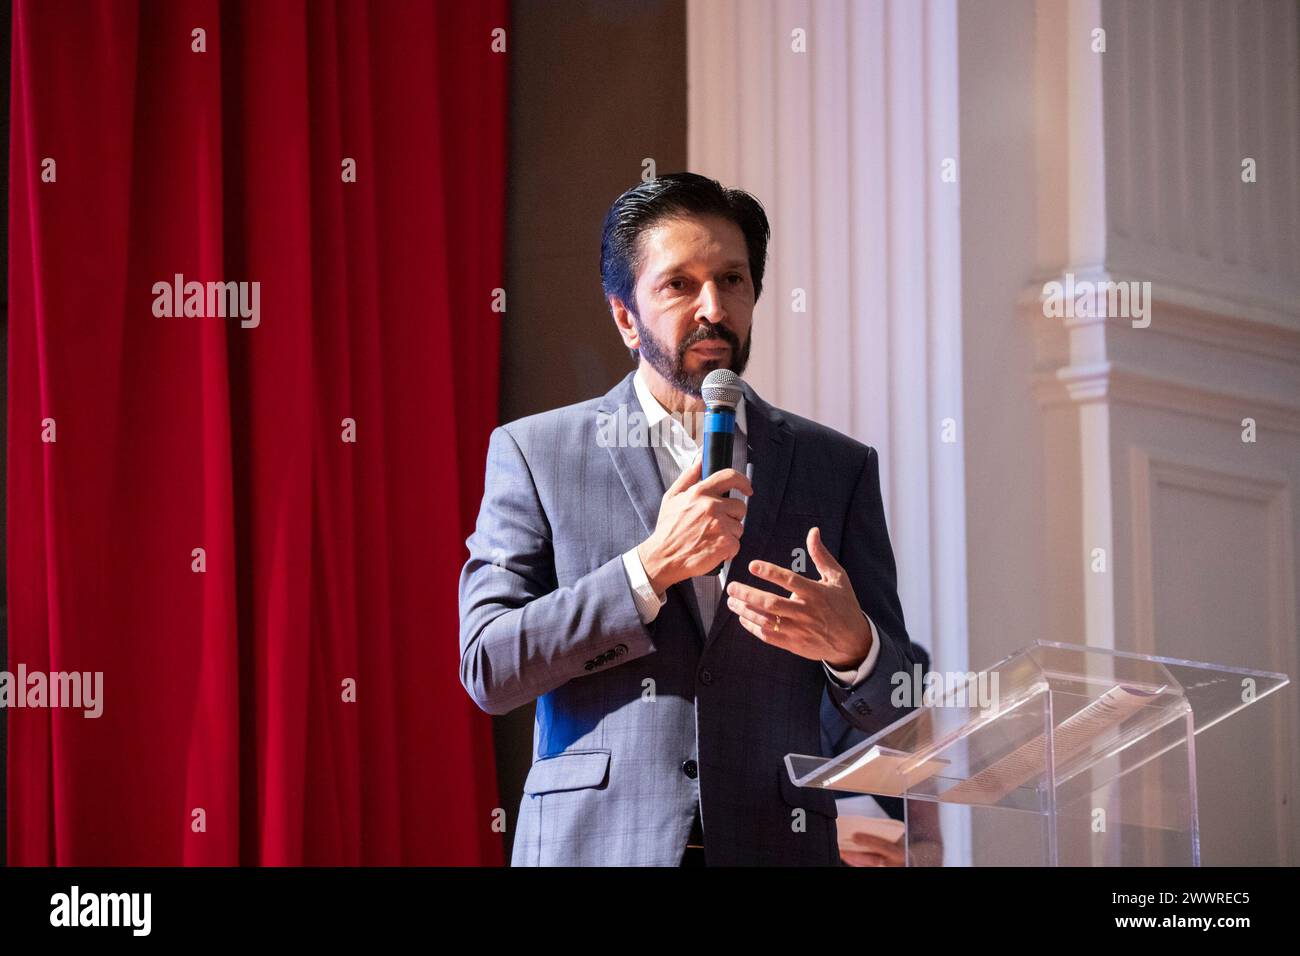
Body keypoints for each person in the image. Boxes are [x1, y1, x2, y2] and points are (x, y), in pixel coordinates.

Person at [458, 172, 921, 865]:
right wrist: (648, 570)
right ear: (625, 316)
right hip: (595, 847)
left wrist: (855, 648)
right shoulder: (537, 453)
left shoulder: (837, 465)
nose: (714, 306)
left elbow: (901, 711)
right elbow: (489, 666)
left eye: (733, 281)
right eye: (679, 284)